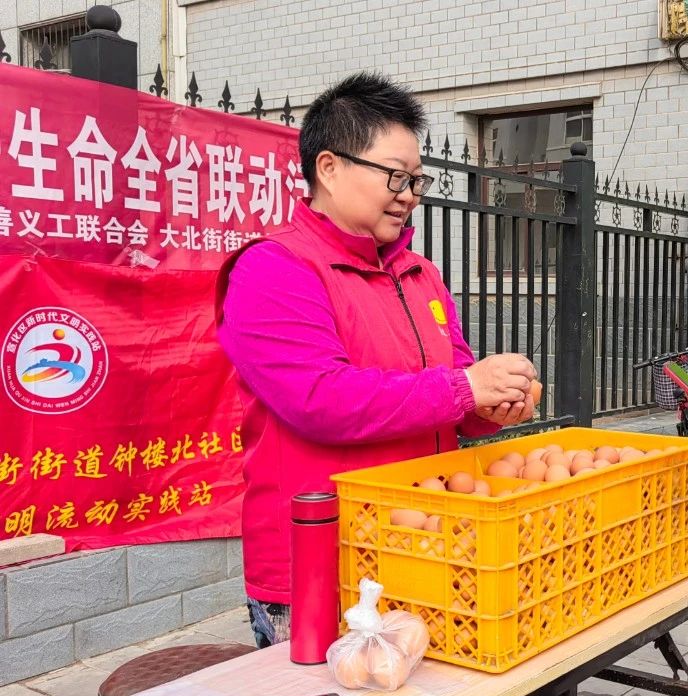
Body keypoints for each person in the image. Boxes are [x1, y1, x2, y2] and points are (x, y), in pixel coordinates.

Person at [216, 73, 538, 648]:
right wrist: (466, 388)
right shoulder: (274, 269)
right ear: (329, 168)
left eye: (416, 179)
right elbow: (319, 398)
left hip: (424, 547)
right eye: (395, 175)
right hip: (325, 564)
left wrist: (493, 406)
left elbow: (456, 394)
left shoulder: (420, 273)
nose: (409, 194)